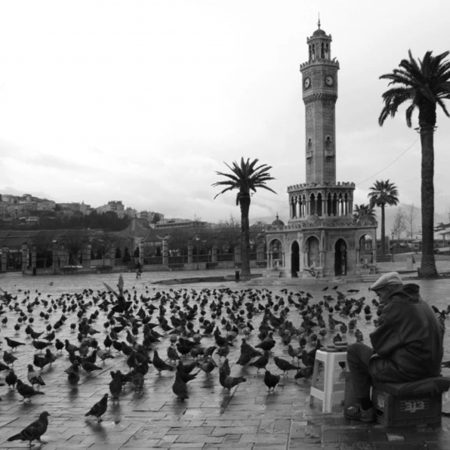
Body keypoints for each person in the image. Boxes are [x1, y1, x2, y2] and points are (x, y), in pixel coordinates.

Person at [345, 272, 444, 422]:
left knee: (355, 351)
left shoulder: (395, 306)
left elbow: (379, 346)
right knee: (374, 360)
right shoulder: (423, 303)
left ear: (389, 290)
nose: (379, 299)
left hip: (408, 371)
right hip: (432, 369)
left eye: (380, 294)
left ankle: (366, 409)